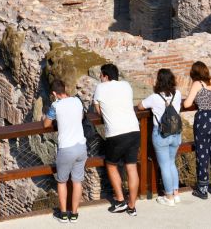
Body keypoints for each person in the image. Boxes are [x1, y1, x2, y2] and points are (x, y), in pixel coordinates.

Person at [93, 63, 140, 216]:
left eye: (101, 75)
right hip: (134, 129)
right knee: (131, 168)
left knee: (111, 165)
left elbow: (98, 111)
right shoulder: (126, 85)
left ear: (105, 76)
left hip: (116, 133)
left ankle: (120, 201)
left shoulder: (100, 87)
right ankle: (132, 206)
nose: (100, 78)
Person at [182, 61, 211, 199]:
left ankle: (202, 188)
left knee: (202, 154)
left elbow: (187, 104)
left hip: (204, 121)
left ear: (194, 73)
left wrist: (199, 100)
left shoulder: (198, 84)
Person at [43, 79, 86, 223]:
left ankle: (63, 214)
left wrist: (47, 117)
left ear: (54, 93)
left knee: (62, 182)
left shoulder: (55, 105)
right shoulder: (77, 101)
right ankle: (74, 214)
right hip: (81, 146)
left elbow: (46, 124)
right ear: (65, 89)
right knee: (77, 181)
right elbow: (81, 117)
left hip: (66, 148)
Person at [139, 68, 183, 206]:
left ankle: (169, 197)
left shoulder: (155, 97)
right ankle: (176, 194)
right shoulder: (178, 94)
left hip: (161, 134)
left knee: (164, 166)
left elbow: (140, 106)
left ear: (159, 81)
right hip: (176, 133)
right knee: (171, 163)